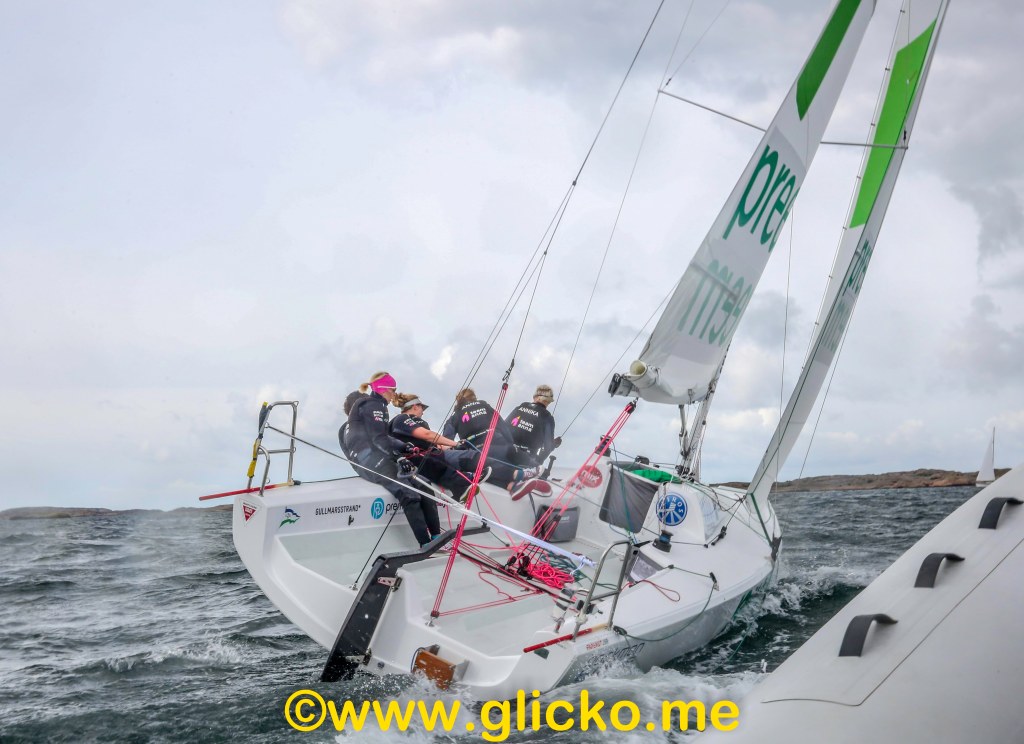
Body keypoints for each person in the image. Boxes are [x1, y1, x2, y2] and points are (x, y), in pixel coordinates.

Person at [342, 371, 441, 546]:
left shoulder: (373, 408)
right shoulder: (373, 406)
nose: (395, 394)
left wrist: (404, 447)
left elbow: (382, 437)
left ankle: (436, 538)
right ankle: (425, 544)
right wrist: (398, 457)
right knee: (409, 494)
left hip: (377, 457)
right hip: (370, 461)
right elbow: (377, 439)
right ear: (383, 389)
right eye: (393, 390)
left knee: (424, 484)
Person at [506, 384, 561, 468]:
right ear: (548, 401)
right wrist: (554, 445)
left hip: (505, 454)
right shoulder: (547, 417)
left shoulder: (519, 408)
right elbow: (547, 448)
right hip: (525, 462)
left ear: (535, 397)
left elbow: (502, 428)